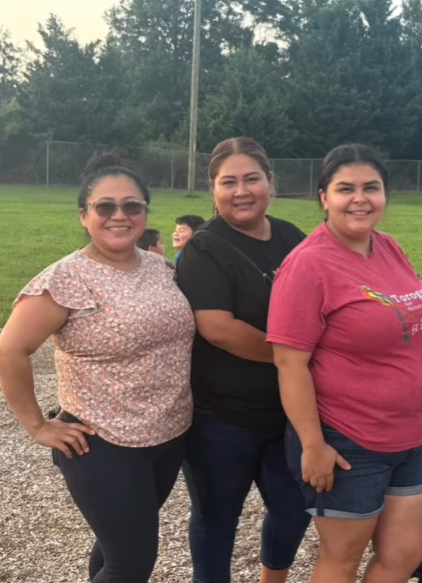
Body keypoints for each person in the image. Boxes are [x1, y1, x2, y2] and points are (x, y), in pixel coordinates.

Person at [0, 153, 196, 583]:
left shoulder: (160, 268)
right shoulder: (66, 279)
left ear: (145, 213)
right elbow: (8, 351)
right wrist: (38, 426)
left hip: (167, 436)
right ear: (85, 215)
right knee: (130, 564)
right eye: (105, 207)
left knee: (114, 548)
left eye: (132, 206)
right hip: (102, 444)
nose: (119, 215)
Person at [267, 144, 422, 583]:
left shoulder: (387, 247)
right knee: (341, 559)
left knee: (404, 555)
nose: (360, 198)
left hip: (406, 439)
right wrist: (313, 444)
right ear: (324, 197)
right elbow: (290, 364)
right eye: (346, 189)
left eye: (372, 188)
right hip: (347, 441)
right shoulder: (308, 264)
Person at [175, 137, 310, 583]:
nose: (241, 190)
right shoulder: (204, 248)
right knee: (217, 519)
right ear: (212, 189)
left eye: (252, 178)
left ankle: (274, 578)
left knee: (294, 509)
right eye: (227, 181)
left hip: (289, 414)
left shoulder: (292, 236)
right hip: (221, 417)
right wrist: (294, 359)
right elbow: (219, 329)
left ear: (271, 182)